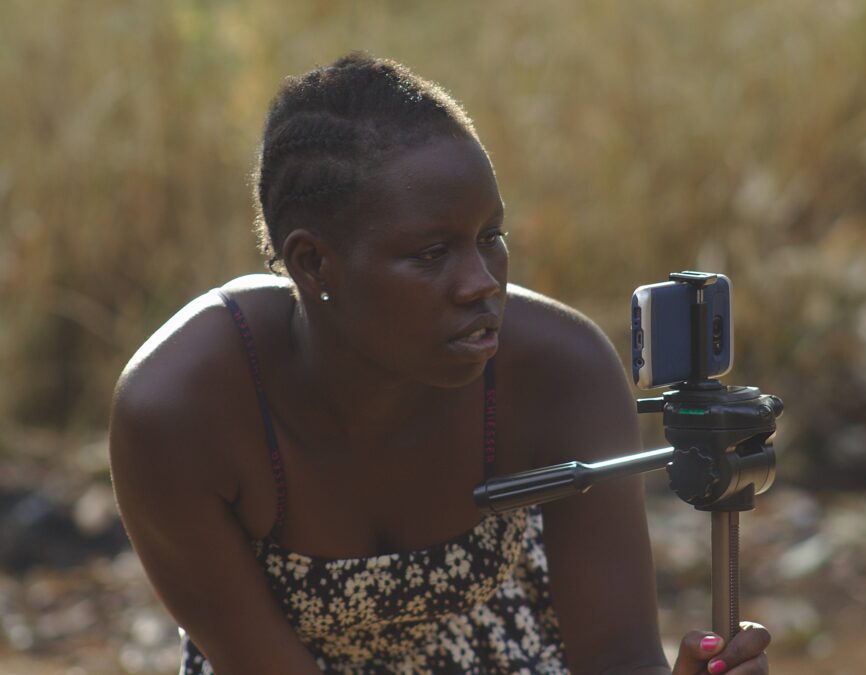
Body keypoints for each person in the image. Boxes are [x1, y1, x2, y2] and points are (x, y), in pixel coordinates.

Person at [108, 53, 770, 674]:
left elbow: (618, 658)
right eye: (431, 253)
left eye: (491, 238)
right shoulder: (179, 411)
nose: (482, 282)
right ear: (313, 263)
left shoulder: (558, 372)